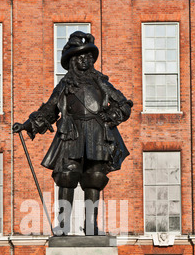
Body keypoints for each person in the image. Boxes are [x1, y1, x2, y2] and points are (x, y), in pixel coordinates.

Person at [13, 31, 133, 236]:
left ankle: (91, 227)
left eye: (88, 56)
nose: (85, 60)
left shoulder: (101, 83)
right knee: (67, 176)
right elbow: (49, 110)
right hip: (72, 133)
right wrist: (27, 125)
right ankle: (62, 225)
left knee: (94, 177)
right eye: (80, 56)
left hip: (97, 134)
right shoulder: (65, 86)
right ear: (73, 61)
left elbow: (123, 104)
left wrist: (110, 116)